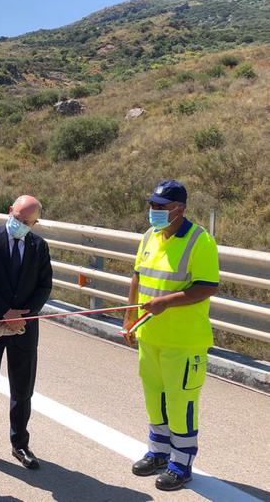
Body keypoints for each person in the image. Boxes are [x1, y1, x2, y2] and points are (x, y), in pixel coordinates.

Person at [123, 180, 219, 491]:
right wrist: (129, 317)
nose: (154, 212)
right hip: (150, 336)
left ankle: (181, 463)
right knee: (155, 399)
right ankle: (158, 452)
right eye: (152, 206)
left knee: (181, 404)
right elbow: (137, 277)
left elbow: (206, 287)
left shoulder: (199, 241)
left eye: (161, 208)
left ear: (180, 209)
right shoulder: (150, 236)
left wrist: (166, 302)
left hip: (183, 342)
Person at [0, 195, 52, 472]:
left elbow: (44, 286)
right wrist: (5, 312)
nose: (21, 224)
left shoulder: (39, 246)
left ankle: (20, 443)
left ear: (35, 222)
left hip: (24, 328)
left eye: (27, 222)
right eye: (17, 219)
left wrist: (22, 315)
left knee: (22, 388)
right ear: (9, 212)